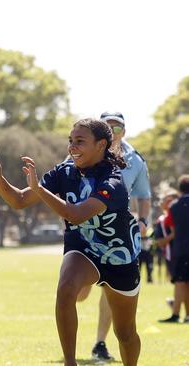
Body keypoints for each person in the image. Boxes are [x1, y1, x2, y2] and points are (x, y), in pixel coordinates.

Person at [0, 118, 141, 366]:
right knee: (66, 289)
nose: (72, 147)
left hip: (120, 257)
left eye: (80, 142)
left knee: (125, 333)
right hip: (83, 248)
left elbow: (75, 213)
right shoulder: (64, 172)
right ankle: (70, 363)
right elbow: (19, 200)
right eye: (70, 141)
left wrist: (40, 190)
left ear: (101, 145)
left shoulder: (114, 181)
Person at [74, 111, 151, 361]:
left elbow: (144, 195)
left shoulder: (135, 160)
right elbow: (65, 187)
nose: (112, 132)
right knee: (80, 292)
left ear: (124, 131)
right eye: (107, 126)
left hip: (116, 235)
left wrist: (143, 221)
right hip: (85, 229)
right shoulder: (81, 150)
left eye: (117, 128)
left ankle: (100, 342)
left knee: (111, 290)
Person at [158, 175, 189, 323]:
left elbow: (172, 229)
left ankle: (176, 314)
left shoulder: (174, 207)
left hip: (181, 248)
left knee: (180, 282)